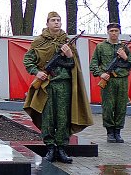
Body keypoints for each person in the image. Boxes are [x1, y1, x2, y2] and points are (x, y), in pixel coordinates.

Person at [24, 12, 93, 164]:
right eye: (53, 20)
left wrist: (69, 55)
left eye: (58, 20)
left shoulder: (67, 42)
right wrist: (37, 72)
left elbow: (74, 66)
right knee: (48, 117)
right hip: (47, 86)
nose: (56, 23)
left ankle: (61, 148)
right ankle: (50, 147)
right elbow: (28, 60)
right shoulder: (39, 42)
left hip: (64, 85)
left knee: (63, 118)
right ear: (47, 23)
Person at [89, 23, 131, 143]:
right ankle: (110, 132)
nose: (114, 33)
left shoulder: (124, 47)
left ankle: (118, 132)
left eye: (116, 31)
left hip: (122, 80)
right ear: (108, 32)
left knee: (121, 107)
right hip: (108, 81)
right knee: (108, 107)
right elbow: (93, 64)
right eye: (112, 31)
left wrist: (125, 57)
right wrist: (101, 74)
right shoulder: (101, 47)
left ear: (119, 32)